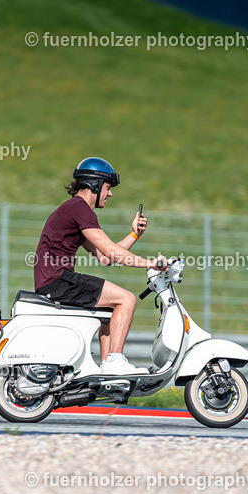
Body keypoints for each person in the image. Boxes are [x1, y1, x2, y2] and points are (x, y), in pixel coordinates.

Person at [33, 157, 166, 375]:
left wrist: (134, 234)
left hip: (54, 280)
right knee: (126, 299)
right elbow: (112, 251)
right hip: (58, 281)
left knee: (108, 310)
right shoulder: (79, 209)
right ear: (94, 184)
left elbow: (105, 257)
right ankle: (114, 360)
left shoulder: (73, 210)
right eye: (107, 187)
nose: (110, 193)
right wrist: (151, 263)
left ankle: (107, 369)